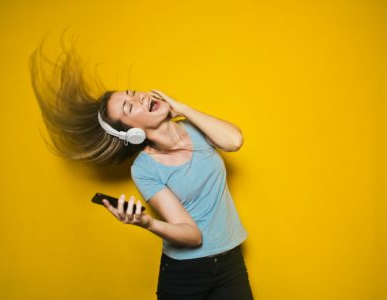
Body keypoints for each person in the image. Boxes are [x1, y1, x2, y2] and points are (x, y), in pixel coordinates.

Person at [29, 41, 254, 300]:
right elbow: (192, 236)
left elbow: (234, 141)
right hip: (186, 273)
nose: (140, 98)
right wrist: (146, 222)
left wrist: (181, 108)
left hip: (231, 261)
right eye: (129, 106)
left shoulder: (197, 129)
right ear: (133, 133)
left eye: (133, 93)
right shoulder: (144, 168)